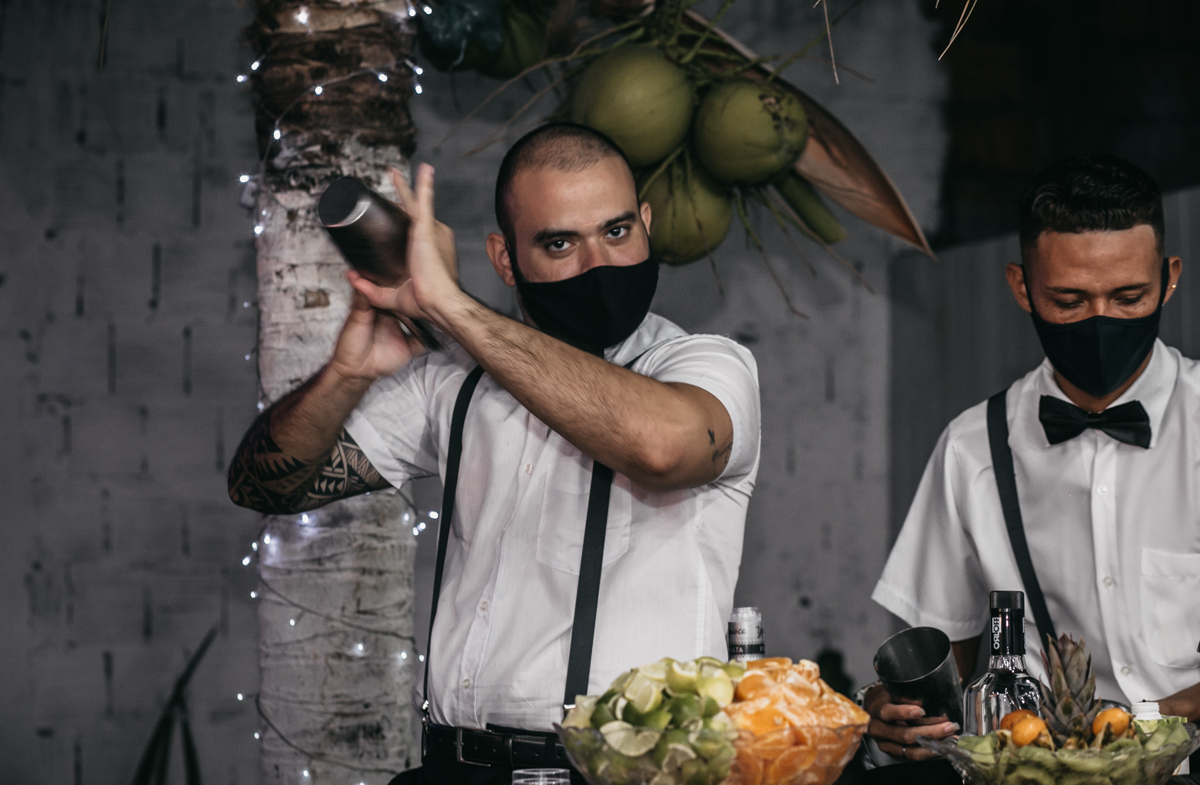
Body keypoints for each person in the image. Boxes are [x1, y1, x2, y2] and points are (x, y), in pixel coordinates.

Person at [226, 123, 762, 784]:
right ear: (506, 260)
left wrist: (449, 307)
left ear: (647, 222)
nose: (597, 264)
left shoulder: (702, 364)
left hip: (621, 776)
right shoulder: (453, 381)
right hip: (456, 770)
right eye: (560, 242)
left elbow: (661, 446)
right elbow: (266, 484)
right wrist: (346, 372)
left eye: (618, 231)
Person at [865, 154, 1200, 767]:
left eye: (1129, 297)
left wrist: (1142, 723)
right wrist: (897, 712)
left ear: (1169, 277)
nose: (1101, 322)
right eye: (1069, 301)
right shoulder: (973, 448)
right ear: (1022, 287)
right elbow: (945, 673)